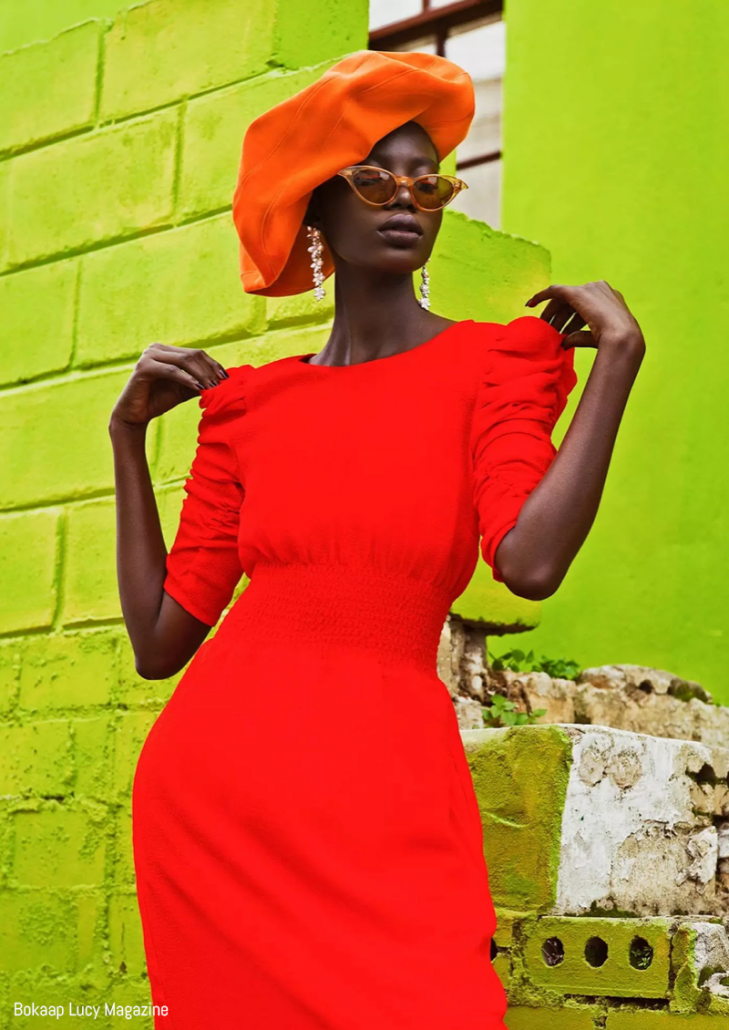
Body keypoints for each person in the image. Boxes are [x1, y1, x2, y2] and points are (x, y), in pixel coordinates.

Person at [108, 50, 645, 1030]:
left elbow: (526, 562)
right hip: (217, 798)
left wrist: (616, 361)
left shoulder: (499, 362)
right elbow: (159, 641)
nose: (407, 197)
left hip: (384, 790)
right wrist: (126, 439)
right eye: (371, 177)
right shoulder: (249, 404)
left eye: (427, 177)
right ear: (316, 209)